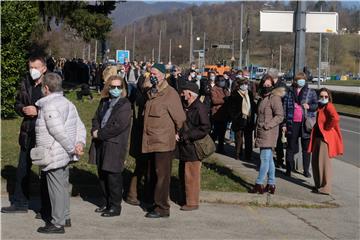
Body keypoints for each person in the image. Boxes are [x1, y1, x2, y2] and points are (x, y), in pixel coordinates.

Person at [35, 73, 86, 234]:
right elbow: (79, 126)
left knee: (56, 188)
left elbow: (58, 132)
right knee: (63, 186)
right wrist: (79, 143)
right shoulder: (68, 103)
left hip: (54, 152)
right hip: (64, 153)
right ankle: (65, 216)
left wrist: (72, 147)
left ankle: (57, 223)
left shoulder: (49, 106)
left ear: (46, 88)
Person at [1, 55, 47, 214]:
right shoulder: (25, 83)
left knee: (46, 170)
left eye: (36, 67)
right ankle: (20, 203)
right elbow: (17, 103)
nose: (33, 70)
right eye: (31, 67)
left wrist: (39, 111)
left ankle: (46, 207)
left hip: (45, 132)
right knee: (22, 168)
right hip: (27, 130)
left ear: (44, 69)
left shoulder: (50, 84)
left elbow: (58, 105)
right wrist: (22, 110)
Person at [142, 63, 186, 218]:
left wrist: (177, 132)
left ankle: (162, 208)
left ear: (163, 75)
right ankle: (153, 202)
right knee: (152, 174)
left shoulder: (170, 94)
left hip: (163, 141)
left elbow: (180, 118)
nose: (151, 76)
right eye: (150, 73)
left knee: (162, 176)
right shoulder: (152, 91)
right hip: (150, 139)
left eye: (154, 73)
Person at [89, 75, 132, 217]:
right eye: (112, 87)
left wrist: (99, 134)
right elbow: (96, 118)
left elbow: (118, 126)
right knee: (102, 174)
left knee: (113, 176)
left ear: (122, 88)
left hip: (114, 144)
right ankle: (106, 202)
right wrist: (95, 130)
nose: (115, 89)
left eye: (118, 87)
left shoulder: (125, 104)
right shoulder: (104, 102)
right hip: (101, 143)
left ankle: (115, 206)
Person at [177, 82, 211, 211]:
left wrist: (187, 135)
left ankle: (192, 202)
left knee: (192, 175)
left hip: (193, 148)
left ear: (190, 94)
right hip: (186, 147)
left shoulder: (199, 108)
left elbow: (205, 127)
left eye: (183, 92)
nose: (182, 94)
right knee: (183, 173)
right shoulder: (188, 105)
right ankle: (184, 198)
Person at [250, 74, 284, 194]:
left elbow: (280, 116)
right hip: (262, 131)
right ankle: (271, 184)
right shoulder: (263, 98)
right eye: (264, 84)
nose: (266, 86)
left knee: (264, 159)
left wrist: (267, 125)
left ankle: (259, 183)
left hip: (268, 132)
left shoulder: (274, 98)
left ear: (273, 85)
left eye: (269, 84)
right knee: (269, 160)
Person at [308, 88, 343, 195]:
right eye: (321, 96)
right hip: (317, 138)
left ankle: (326, 188)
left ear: (329, 97)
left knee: (323, 164)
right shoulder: (320, 106)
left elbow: (335, 118)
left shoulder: (329, 106)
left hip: (324, 139)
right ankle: (318, 185)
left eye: (326, 97)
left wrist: (327, 127)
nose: (323, 98)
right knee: (315, 162)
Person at [283, 72, 318, 177]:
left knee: (306, 148)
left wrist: (310, 107)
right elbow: (284, 108)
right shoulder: (289, 92)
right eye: (299, 79)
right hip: (292, 122)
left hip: (305, 123)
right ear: (295, 81)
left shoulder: (310, 92)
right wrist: (284, 123)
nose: (301, 81)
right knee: (290, 147)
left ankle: (306, 170)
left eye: (303, 79)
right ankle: (288, 168)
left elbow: (316, 105)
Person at [228, 77, 256, 161]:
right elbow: (231, 108)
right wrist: (235, 117)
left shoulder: (250, 94)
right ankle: (238, 154)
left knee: (248, 139)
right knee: (238, 138)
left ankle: (248, 155)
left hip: (248, 119)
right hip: (239, 119)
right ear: (239, 85)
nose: (245, 86)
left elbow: (252, 105)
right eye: (243, 84)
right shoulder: (234, 94)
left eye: (246, 84)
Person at [268, 68, 287, 168]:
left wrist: (284, 121)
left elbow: (284, 103)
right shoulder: (270, 85)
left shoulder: (281, 86)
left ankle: (280, 160)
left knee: (279, 139)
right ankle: (272, 157)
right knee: (272, 138)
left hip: (278, 115)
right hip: (270, 115)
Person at [211, 76, 230, 153]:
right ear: (217, 81)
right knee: (216, 132)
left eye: (223, 80)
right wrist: (224, 100)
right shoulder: (214, 89)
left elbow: (229, 97)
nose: (222, 82)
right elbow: (214, 100)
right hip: (217, 113)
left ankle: (221, 148)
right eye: (221, 80)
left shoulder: (225, 89)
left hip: (224, 113)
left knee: (222, 133)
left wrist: (226, 92)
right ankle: (210, 147)